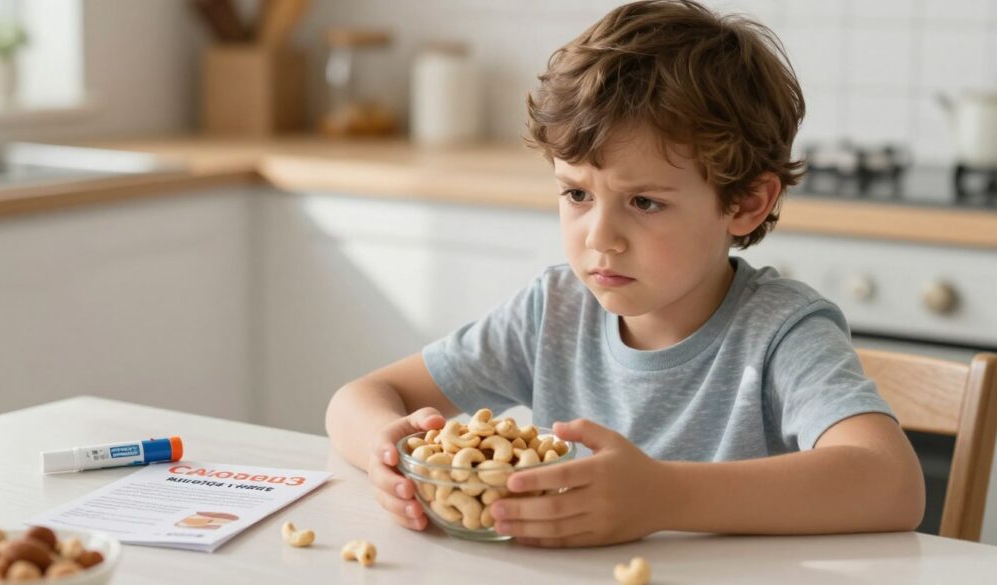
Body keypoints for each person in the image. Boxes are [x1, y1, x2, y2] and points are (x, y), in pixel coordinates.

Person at [325, 0, 925, 548]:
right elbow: (359, 399)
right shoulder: (553, 309)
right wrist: (388, 448)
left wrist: (663, 496)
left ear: (744, 204)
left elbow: (892, 483)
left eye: (644, 203)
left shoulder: (782, 332)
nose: (599, 237)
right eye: (577, 194)